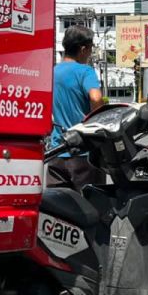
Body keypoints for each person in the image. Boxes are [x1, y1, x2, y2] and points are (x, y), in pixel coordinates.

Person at [47, 25, 105, 189]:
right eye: (90, 48)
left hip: (56, 152)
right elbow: (95, 97)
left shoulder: (52, 72)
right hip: (83, 154)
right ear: (83, 49)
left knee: (61, 209)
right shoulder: (85, 71)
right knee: (92, 208)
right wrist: (101, 121)